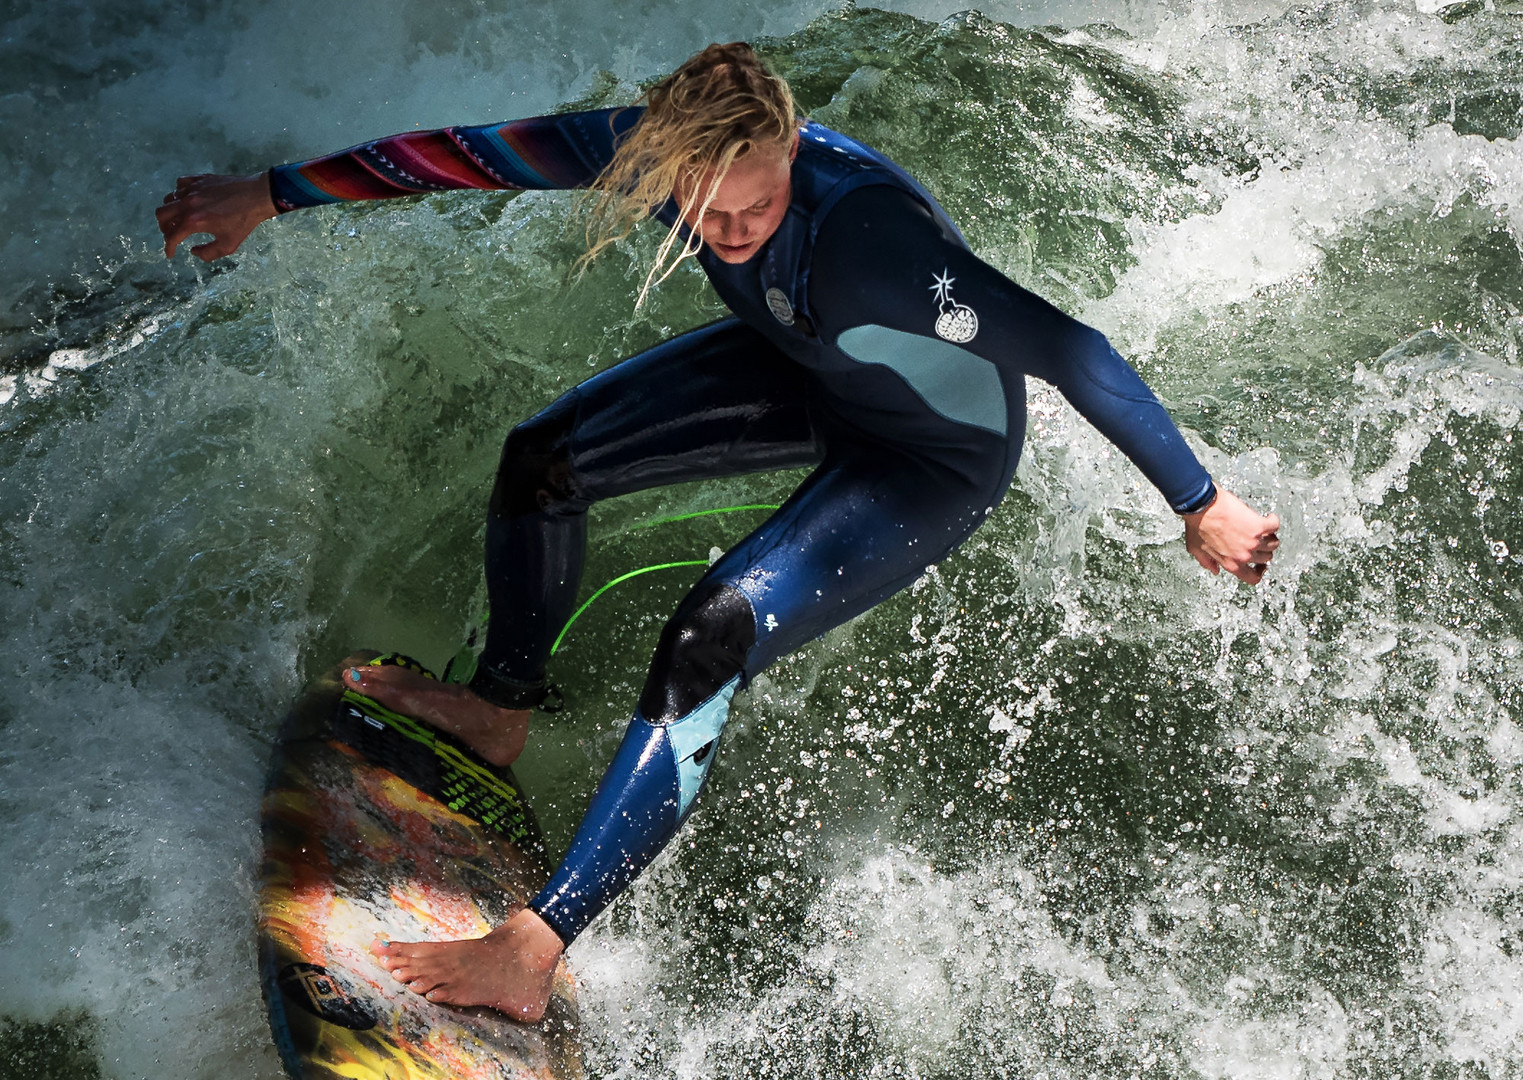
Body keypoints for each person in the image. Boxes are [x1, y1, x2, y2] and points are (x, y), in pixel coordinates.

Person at [157, 43, 1280, 1022]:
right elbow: (465, 154)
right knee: (543, 458)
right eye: (707, 213)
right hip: (812, 373)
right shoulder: (640, 153)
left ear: (790, 152)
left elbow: (1068, 347)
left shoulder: (871, 245)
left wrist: (1199, 501)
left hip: (930, 458)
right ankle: (498, 709)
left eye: (757, 207)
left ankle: (530, 950)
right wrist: (268, 193)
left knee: (708, 634)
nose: (733, 235)